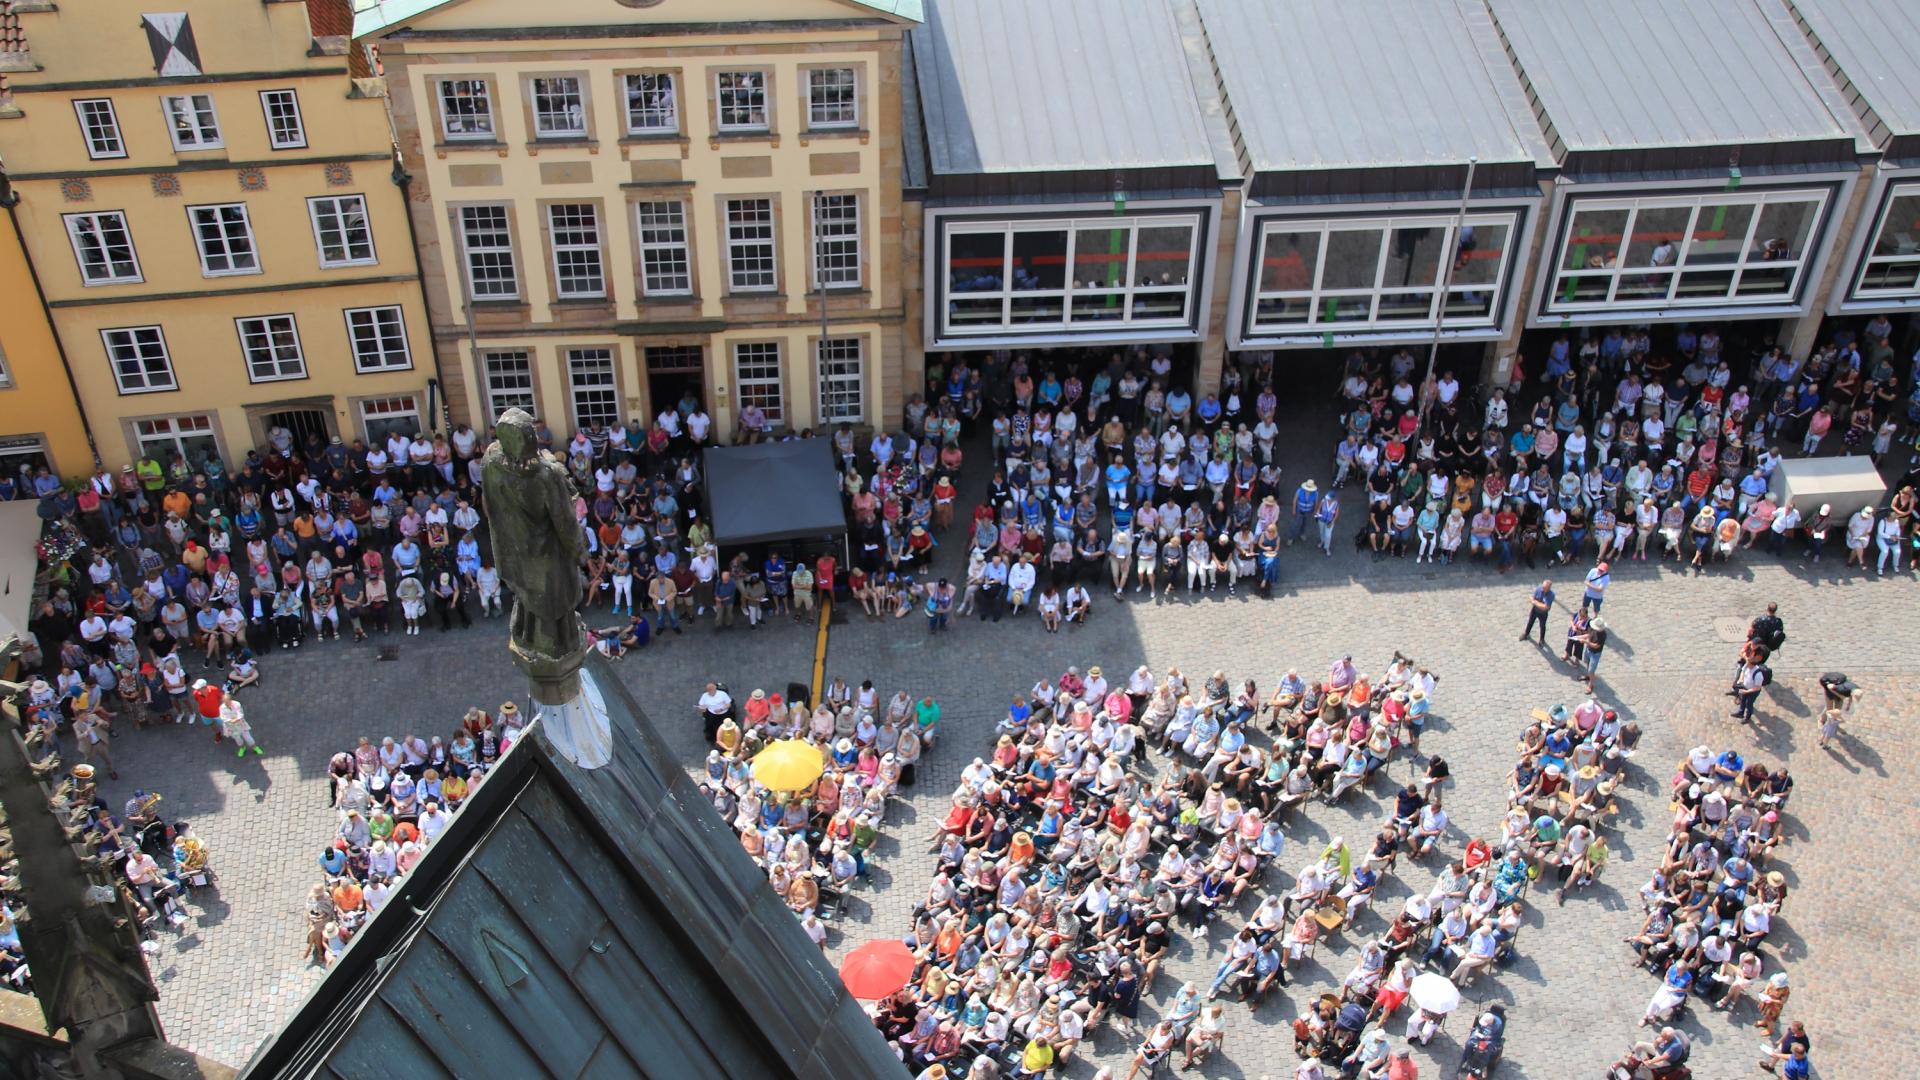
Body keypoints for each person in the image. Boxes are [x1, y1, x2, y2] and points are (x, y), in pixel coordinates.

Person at [1522, 578, 1553, 645]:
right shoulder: (1539, 589)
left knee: (1542, 626)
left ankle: (1542, 639)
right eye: (1543, 587)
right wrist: (1537, 603)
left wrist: (1535, 603)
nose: (1543, 589)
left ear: (1549, 588)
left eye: (1545, 588)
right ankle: (1526, 634)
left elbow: (1546, 607)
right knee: (1530, 622)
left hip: (1543, 613)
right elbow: (1531, 598)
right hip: (1534, 610)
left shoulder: (1551, 595)